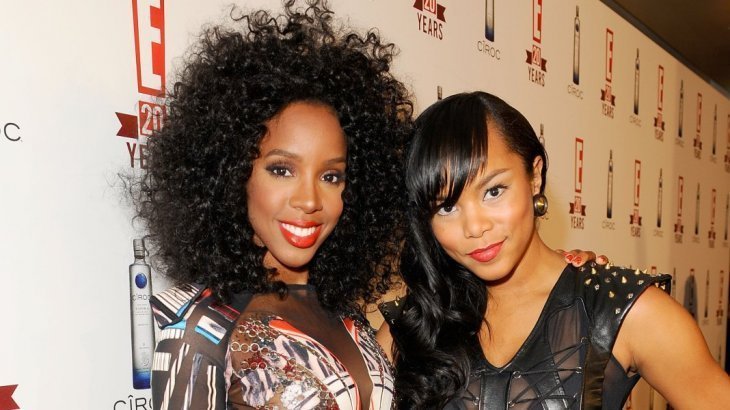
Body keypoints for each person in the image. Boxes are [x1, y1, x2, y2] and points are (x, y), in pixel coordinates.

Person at [133, 1, 412, 408]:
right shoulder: (203, 328)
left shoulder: (348, 317)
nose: (309, 199)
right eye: (282, 170)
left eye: (331, 176)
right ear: (231, 173)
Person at [389, 91, 730, 409]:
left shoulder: (623, 311)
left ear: (534, 177)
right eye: (446, 207)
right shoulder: (412, 326)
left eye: (493, 191)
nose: (475, 227)